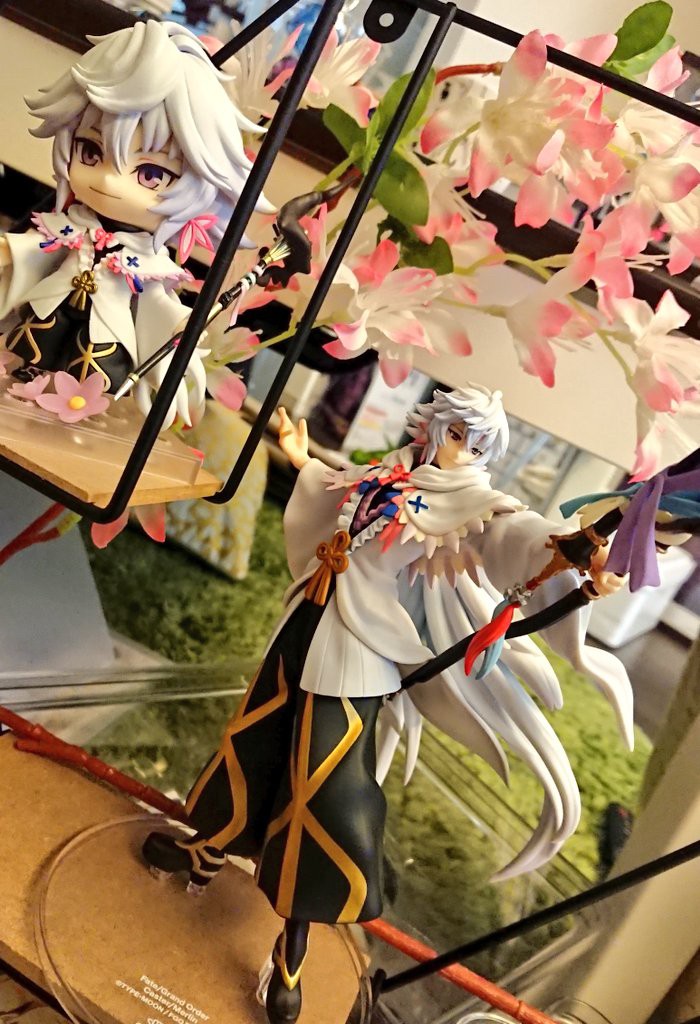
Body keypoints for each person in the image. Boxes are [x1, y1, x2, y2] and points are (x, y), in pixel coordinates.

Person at [143, 384, 631, 1024]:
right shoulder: (391, 471)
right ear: (433, 426)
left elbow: (516, 536)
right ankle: (206, 850)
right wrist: (302, 458)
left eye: (475, 444)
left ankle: (291, 949)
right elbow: (339, 497)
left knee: (323, 790)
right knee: (253, 740)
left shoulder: (473, 503)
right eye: (455, 433)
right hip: (307, 622)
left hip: (356, 655)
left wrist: (575, 549)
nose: (459, 449)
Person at [0, 20, 272, 428]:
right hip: (49, 308)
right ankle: (31, 381)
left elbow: (154, 303)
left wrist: (180, 323)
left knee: (94, 365)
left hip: (105, 330)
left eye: (150, 174)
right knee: (35, 341)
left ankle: (73, 402)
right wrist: (10, 249)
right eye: (90, 152)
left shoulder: (147, 259)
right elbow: (38, 254)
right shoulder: (72, 226)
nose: (110, 181)